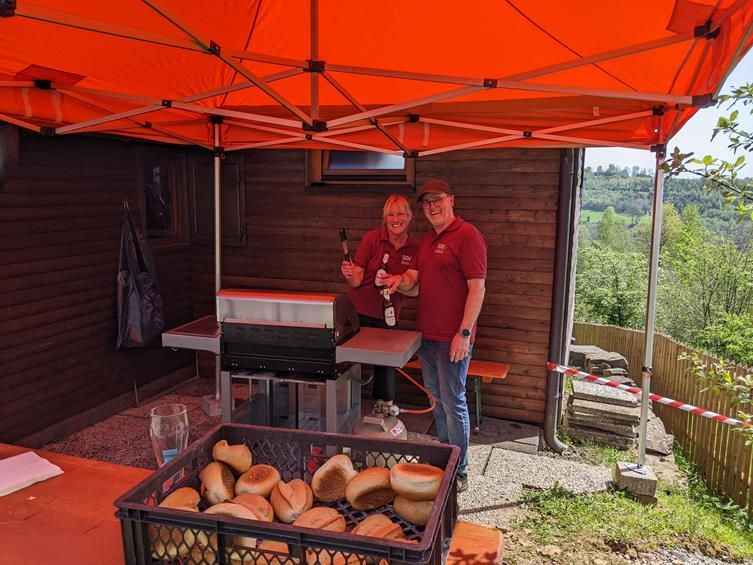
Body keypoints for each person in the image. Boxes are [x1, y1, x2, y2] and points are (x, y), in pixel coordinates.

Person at [381, 179, 487, 492]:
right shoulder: (427, 240)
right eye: (426, 203)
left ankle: (459, 470)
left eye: (437, 200)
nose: (432, 207)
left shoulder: (468, 235)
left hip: (453, 338)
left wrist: (464, 333)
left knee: (453, 402)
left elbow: (478, 289)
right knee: (437, 400)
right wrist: (397, 279)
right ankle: (444, 460)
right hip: (427, 336)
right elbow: (414, 279)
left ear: (451, 200)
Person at [341, 194, 420, 405]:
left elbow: (414, 285)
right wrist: (349, 274)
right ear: (385, 218)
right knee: (346, 359)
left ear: (409, 216)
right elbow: (356, 281)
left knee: (386, 363)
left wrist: (398, 280)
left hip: (388, 315)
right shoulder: (372, 239)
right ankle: (342, 405)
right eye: (390, 214)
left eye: (400, 213)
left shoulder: (415, 247)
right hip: (357, 311)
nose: (396, 219)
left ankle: (384, 407)